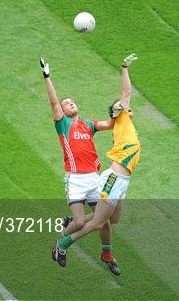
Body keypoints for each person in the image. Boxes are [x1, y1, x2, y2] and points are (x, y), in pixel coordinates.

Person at [52, 53, 141, 276]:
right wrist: (123, 67)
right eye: (124, 108)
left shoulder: (123, 122)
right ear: (119, 111)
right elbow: (126, 94)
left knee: (113, 219)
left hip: (123, 180)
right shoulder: (121, 118)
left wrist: (125, 68)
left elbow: (126, 98)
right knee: (97, 223)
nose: (130, 109)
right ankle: (62, 245)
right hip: (113, 178)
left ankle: (80, 228)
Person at [39, 58, 118, 273]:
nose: (69, 104)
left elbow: (110, 124)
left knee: (106, 220)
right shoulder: (62, 124)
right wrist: (47, 77)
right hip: (75, 179)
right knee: (81, 221)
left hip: (93, 178)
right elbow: (54, 103)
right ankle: (61, 245)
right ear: (62, 111)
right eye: (66, 103)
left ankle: (107, 253)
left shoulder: (88, 124)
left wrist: (120, 112)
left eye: (72, 102)